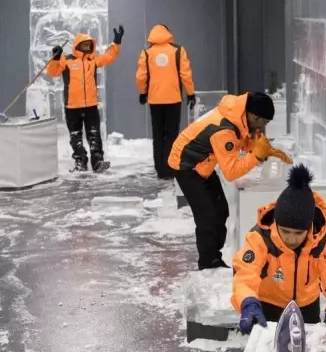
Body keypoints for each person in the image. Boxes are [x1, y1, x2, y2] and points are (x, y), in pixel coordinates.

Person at [168, 92, 292, 270]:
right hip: (186, 165)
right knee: (207, 216)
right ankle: (208, 263)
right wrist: (257, 156)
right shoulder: (224, 130)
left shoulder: (236, 116)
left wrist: (263, 148)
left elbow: (239, 141)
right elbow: (231, 172)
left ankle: (214, 258)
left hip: (203, 163)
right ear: (254, 116)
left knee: (221, 210)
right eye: (264, 122)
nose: (264, 127)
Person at [231, 164, 326, 335]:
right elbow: (244, 276)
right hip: (268, 307)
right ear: (276, 223)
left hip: (307, 308)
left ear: (309, 227)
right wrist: (248, 303)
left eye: (298, 233)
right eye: (285, 231)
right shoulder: (260, 238)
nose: (291, 238)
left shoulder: (323, 241)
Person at [47, 26, 124, 173]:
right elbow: (53, 72)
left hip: (91, 105)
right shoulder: (67, 60)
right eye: (85, 44)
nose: (87, 47)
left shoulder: (93, 60)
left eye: (89, 45)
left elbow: (109, 57)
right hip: (72, 106)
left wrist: (116, 43)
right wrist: (55, 58)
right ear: (78, 45)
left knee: (94, 135)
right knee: (75, 136)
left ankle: (97, 162)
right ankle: (80, 161)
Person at [135, 24, 196, 180]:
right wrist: (190, 93)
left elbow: (141, 76)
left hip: (155, 100)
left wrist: (143, 93)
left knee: (158, 134)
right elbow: (185, 74)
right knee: (171, 135)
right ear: (168, 33)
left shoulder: (146, 53)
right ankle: (170, 168)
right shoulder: (178, 50)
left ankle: (160, 170)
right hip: (173, 99)